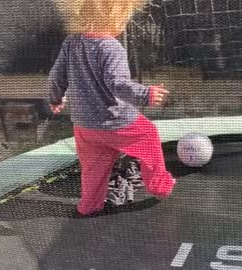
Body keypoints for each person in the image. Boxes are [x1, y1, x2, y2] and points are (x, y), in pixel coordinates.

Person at [48, 0, 175, 216]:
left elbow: (56, 76)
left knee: (92, 169)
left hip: (84, 125)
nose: (124, 23)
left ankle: (88, 205)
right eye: (124, 18)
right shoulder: (111, 47)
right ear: (113, 16)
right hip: (115, 122)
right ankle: (159, 186)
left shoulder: (71, 42)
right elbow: (117, 83)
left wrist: (55, 99)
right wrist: (146, 94)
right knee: (149, 136)